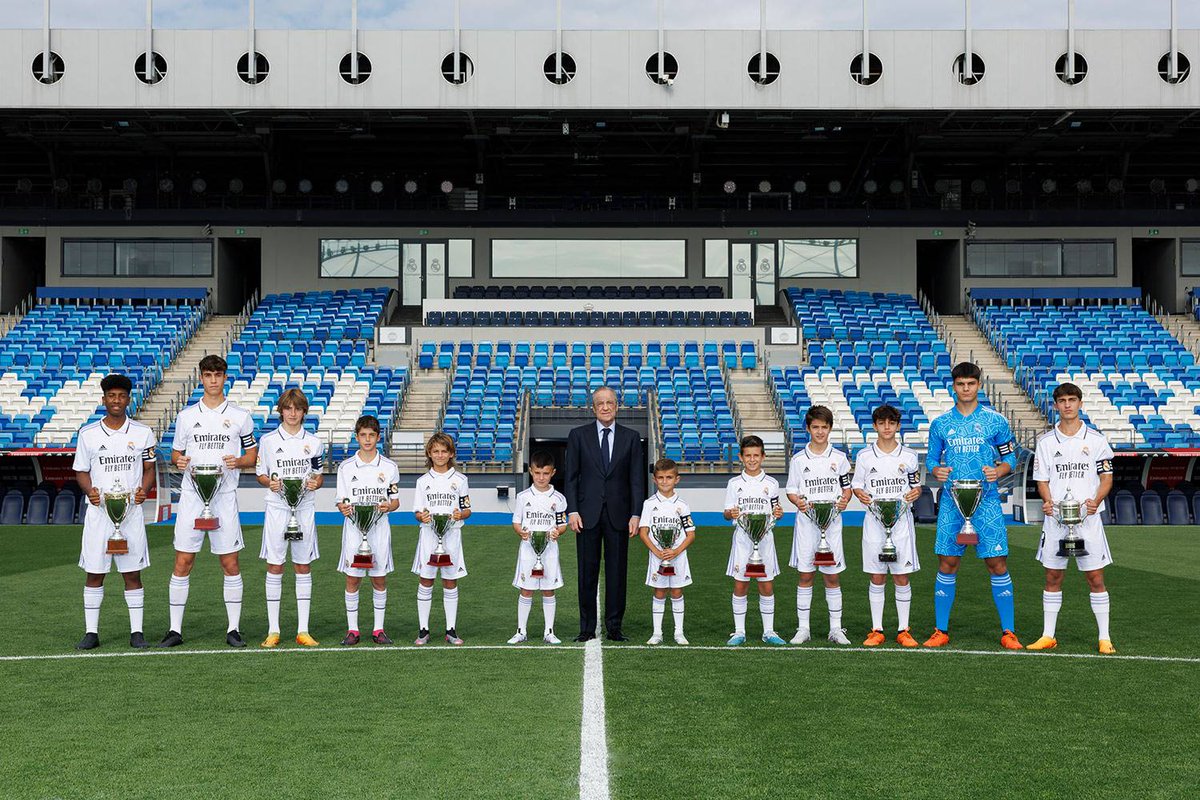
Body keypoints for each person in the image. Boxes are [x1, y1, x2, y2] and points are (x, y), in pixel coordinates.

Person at [161, 354, 257, 648]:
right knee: (183, 561)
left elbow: (253, 456)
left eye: (218, 375)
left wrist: (238, 462)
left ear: (225, 378)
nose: (213, 381)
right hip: (192, 497)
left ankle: (233, 629)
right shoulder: (187, 416)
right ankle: (174, 630)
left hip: (224, 497)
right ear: (201, 378)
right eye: (208, 375)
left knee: (230, 563)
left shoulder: (240, 415)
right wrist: (179, 462)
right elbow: (176, 454)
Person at [924, 361, 1021, 650]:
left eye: (971, 384)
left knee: (997, 562)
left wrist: (1000, 470)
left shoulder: (996, 421)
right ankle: (940, 630)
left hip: (987, 502)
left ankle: (1009, 632)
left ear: (979, 385)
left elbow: (1011, 458)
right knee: (947, 562)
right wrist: (936, 470)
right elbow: (931, 460)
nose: (966, 389)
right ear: (953, 387)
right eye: (960, 384)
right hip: (953, 504)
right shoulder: (940, 424)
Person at [1027, 382, 1117, 654]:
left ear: (1080, 403)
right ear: (1056, 405)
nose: (1067, 404)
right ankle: (1048, 635)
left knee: (1095, 577)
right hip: (1056, 521)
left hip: (1088, 521)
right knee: (1053, 576)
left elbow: (1107, 478)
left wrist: (1095, 501)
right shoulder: (1045, 442)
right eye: (1062, 400)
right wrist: (1048, 502)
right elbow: (1042, 480)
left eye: (1072, 399)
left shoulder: (1097, 440)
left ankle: (1104, 637)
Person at [72, 374, 158, 650]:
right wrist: (90, 491)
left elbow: (149, 469)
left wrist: (143, 490)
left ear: (128, 399)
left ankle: (137, 633)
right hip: (99, 514)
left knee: (132, 573)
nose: (116, 400)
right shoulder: (88, 434)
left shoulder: (143, 433)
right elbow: (81, 471)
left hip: (129, 513)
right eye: (111, 396)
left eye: (121, 396)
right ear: (104, 399)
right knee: (94, 573)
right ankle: (91, 633)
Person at [565, 386, 644, 642]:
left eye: (610, 402)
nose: (606, 407)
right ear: (594, 407)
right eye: (601, 403)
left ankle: (614, 626)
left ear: (617, 406)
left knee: (617, 573)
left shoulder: (631, 437)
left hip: (619, 515)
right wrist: (573, 509)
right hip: (586, 515)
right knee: (587, 572)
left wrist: (635, 513)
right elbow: (572, 477)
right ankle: (586, 627)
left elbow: (636, 479)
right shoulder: (578, 435)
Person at [255, 388, 324, 648]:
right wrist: (268, 483)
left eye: (297, 408)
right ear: (281, 410)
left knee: (303, 565)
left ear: (304, 411)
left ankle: (303, 630)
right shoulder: (269, 441)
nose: (292, 413)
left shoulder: (314, 442)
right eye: (288, 408)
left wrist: (316, 484)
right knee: (275, 565)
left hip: (304, 509)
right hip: (277, 509)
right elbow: (262, 473)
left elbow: (318, 475)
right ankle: (273, 630)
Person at [851, 405, 923, 648]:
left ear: (898, 425)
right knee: (877, 575)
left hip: (901, 523)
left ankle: (904, 630)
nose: (887, 427)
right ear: (875, 426)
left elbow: (916, 486)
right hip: (874, 523)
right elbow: (857, 485)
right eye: (882, 423)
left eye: (891, 423)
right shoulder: (864, 456)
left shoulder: (909, 456)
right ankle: (877, 629)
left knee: (901, 577)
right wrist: (860, 493)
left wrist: (916, 492)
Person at [785, 405, 853, 645]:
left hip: (832, 525)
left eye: (824, 427)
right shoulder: (798, 459)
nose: (820, 432)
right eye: (816, 427)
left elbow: (847, 488)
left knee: (832, 577)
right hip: (806, 525)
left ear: (830, 428)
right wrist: (798, 502)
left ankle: (836, 629)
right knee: (805, 576)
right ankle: (803, 628)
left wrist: (845, 500)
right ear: (808, 428)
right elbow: (791, 490)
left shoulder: (839, 458)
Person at [335, 415, 400, 646]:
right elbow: (340, 500)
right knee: (352, 579)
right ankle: (353, 630)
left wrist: (388, 506)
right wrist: (342, 507)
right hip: (354, 530)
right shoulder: (345, 467)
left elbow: (395, 501)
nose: (367, 439)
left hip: (379, 530)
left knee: (379, 580)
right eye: (363, 435)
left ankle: (378, 629)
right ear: (356, 437)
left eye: (372, 435)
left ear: (378, 437)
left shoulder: (390, 467)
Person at [724, 435, 787, 647]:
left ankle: (768, 631)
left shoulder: (772, 483)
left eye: (756, 455)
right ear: (741, 457)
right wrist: (730, 513)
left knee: (766, 586)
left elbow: (776, 510)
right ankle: (739, 631)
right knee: (740, 585)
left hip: (765, 541)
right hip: (742, 541)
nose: (752, 460)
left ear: (763, 457)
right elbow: (726, 513)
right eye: (748, 455)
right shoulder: (734, 484)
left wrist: (779, 513)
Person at [412, 432, 471, 646]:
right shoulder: (422, 481)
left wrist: (460, 515)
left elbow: (467, 510)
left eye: (444, 451)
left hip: (452, 536)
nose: (439, 455)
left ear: (451, 453)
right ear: (429, 453)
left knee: (450, 581)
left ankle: (451, 629)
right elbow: (417, 512)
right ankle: (423, 629)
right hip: (428, 536)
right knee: (426, 580)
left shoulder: (460, 480)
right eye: (435, 451)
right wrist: (422, 516)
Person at [508, 451, 568, 645]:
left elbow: (562, 524)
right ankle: (521, 631)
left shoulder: (558, 498)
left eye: (545, 473)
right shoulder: (523, 496)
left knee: (548, 590)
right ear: (531, 472)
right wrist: (521, 532)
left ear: (553, 473)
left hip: (549, 551)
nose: (541, 477)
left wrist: (558, 532)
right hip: (527, 551)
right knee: (526, 589)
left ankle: (549, 632)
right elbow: (516, 522)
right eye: (537, 473)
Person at [638, 458, 696, 645]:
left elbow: (691, 534)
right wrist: (656, 551)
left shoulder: (683, 505)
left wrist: (676, 551)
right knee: (660, 591)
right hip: (658, 558)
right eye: (661, 478)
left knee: (677, 591)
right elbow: (643, 531)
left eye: (669, 477)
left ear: (676, 479)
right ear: (655, 479)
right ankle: (657, 633)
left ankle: (679, 632)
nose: (665, 481)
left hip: (677, 557)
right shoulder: (649, 504)